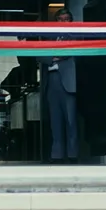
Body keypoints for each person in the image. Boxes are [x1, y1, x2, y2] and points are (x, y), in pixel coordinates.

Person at [40, 8, 80, 164]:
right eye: (60, 19)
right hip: (52, 80)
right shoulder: (48, 36)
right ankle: (56, 155)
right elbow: (39, 55)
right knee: (55, 120)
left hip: (68, 82)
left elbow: (71, 51)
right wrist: (54, 57)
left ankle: (72, 154)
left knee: (70, 120)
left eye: (66, 19)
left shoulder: (75, 34)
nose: (63, 22)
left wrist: (53, 56)